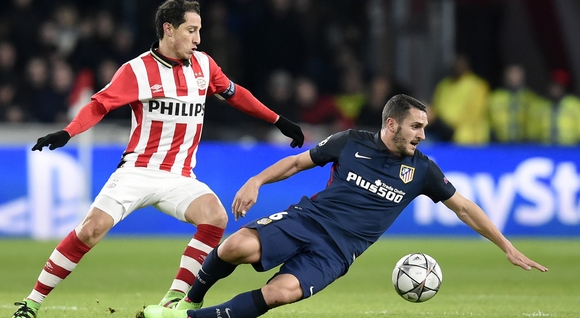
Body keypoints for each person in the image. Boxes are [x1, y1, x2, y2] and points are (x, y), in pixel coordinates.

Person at [11, 1, 304, 317]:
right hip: (138, 171)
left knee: (215, 217)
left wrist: (278, 119)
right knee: (90, 230)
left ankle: (173, 299)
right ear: (169, 29)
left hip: (180, 176)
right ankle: (32, 303)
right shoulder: (137, 70)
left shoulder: (204, 65)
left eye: (199, 31)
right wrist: (69, 132)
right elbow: (99, 106)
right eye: (191, 30)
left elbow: (236, 95)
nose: (198, 39)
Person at [142, 94, 547, 318]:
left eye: (424, 127)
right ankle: (190, 298)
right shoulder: (350, 141)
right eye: (416, 126)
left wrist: (506, 245)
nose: (422, 135)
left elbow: (465, 208)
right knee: (234, 247)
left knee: (280, 293)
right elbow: (298, 162)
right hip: (307, 219)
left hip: (337, 252)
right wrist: (257, 179)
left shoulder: (422, 171)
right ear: (392, 124)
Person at [431, 53, 490, 144]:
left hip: (470, 138)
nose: (457, 67)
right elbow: (436, 108)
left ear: (467, 66)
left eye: (460, 64)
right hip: (444, 134)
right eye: (455, 64)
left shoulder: (477, 85)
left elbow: (473, 114)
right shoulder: (444, 85)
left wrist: (447, 123)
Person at [487, 64, 539, 143]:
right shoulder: (495, 97)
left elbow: (536, 121)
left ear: (523, 77)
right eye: (511, 74)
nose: (514, 78)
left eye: (517, 74)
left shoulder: (531, 98)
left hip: (525, 144)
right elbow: (488, 119)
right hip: (499, 143)